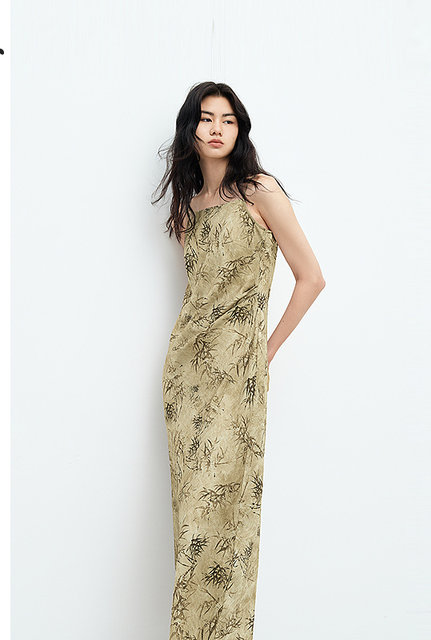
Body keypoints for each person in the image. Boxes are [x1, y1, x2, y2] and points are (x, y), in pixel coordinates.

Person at [154, 81, 325, 639]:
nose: (217, 128)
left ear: (239, 130)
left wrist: (264, 353)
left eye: (228, 119)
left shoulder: (259, 191)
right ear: (191, 129)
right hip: (185, 376)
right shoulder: (189, 208)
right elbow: (200, 297)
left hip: (238, 378)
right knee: (192, 519)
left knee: (224, 514)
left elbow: (311, 278)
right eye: (206, 118)